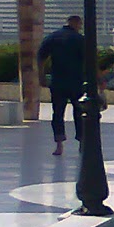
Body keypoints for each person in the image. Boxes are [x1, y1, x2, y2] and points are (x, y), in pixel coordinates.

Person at [38, 15, 87, 155]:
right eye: (80, 24)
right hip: (75, 81)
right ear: (76, 23)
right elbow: (89, 61)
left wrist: (41, 76)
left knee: (58, 113)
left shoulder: (53, 37)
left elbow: (41, 57)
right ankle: (82, 143)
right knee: (79, 112)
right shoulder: (80, 39)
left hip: (57, 81)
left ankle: (59, 145)